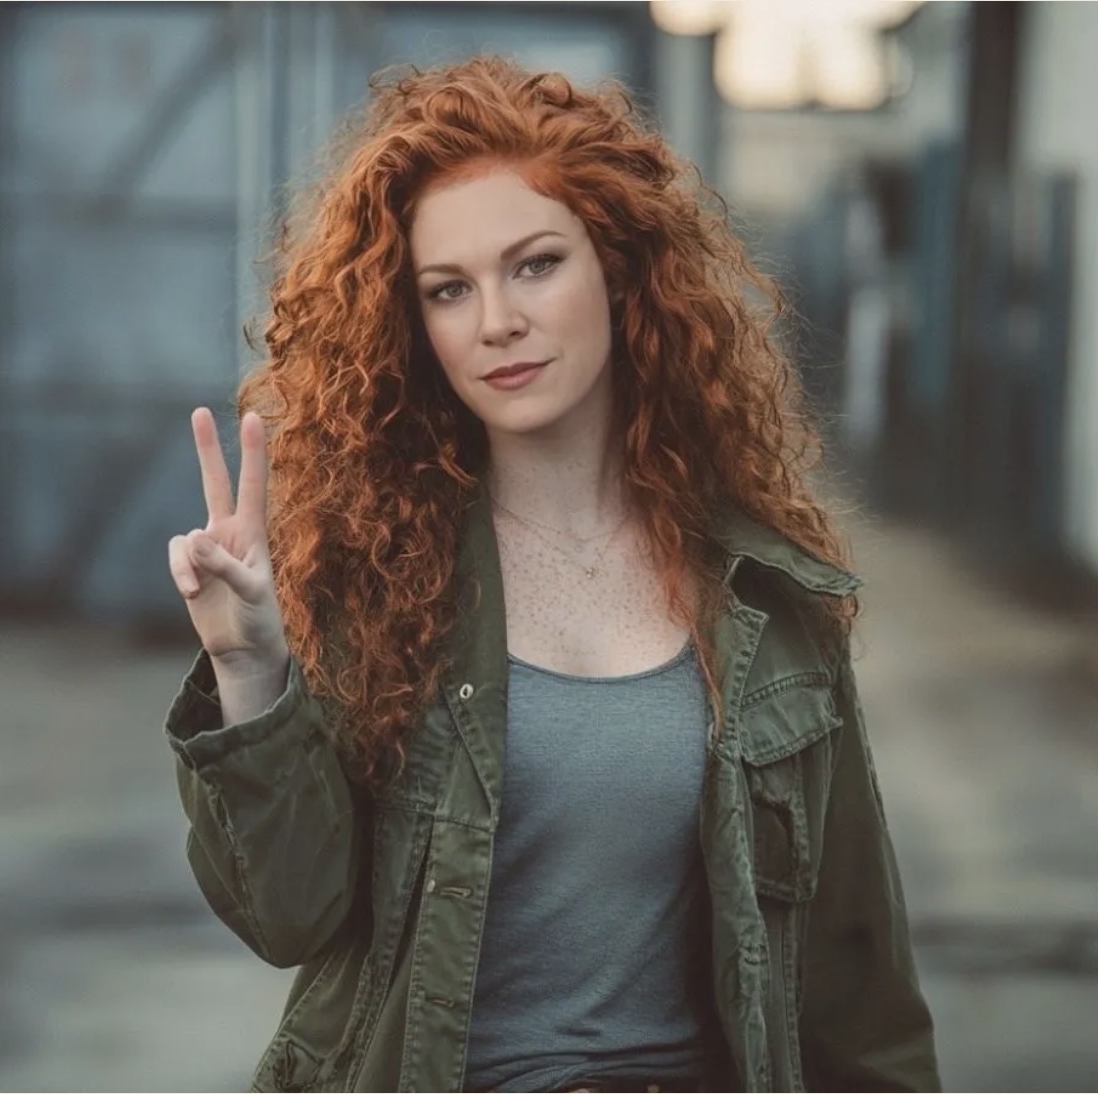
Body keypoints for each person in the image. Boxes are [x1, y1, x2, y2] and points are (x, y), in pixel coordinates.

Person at [162, 57, 939, 1094]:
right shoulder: (377, 576)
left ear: (618, 270)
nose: (495, 321)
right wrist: (252, 668)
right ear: (415, 323)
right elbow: (286, 912)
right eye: (449, 288)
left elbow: (858, 982)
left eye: (534, 265)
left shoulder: (765, 595)